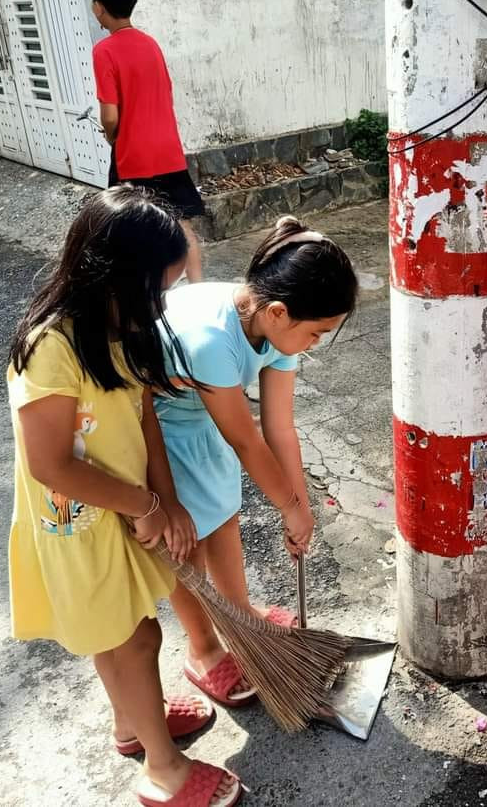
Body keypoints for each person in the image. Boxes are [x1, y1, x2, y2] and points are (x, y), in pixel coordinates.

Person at [7, 186, 241, 807]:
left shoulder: (125, 332)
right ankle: (164, 770)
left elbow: (145, 421)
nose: (159, 304)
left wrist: (169, 500)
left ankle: (132, 723)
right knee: (130, 639)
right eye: (152, 290)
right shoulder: (49, 349)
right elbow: (49, 463)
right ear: (105, 275)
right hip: (78, 525)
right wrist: (145, 506)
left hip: (127, 508)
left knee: (133, 631)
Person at [156, 216, 358, 707]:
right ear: (279, 312)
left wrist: (301, 506)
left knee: (224, 519)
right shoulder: (210, 338)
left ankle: (241, 619)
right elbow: (247, 442)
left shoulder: (276, 326)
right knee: (185, 544)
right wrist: (287, 506)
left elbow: (279, 429)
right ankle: (203, 649)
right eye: (317, 333)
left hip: (206, 421)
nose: (315, 344)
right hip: (158, 426)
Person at [91, 0, 204, 283]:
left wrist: (110, 135)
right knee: (182, 224)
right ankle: (198, 288)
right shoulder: (150, 43)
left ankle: (144, 296)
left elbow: (110, 115)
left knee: (131, 230)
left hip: (133, 156)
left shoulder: (104, 50)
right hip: (168, 150)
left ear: (98, 7)